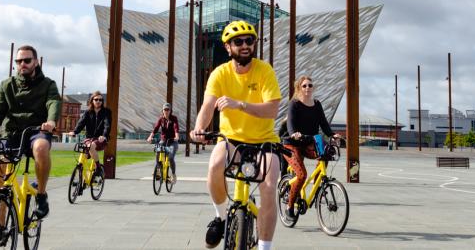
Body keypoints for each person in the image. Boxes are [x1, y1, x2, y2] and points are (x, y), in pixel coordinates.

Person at [191, 20, 282, 250]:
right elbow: (207, 106)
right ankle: (220, 218)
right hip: (231, 139)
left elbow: (272, 109)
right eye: (238, 41)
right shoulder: (220, 74)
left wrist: (239, 105)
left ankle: (264, 247)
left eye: (249, 41)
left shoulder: (264, 70)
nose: (245, 45)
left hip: (265, 141)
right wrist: (199, 128)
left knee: (269, 187)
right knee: (214, 166)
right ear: (227, 47)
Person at [0, 45, 61, 221]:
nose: (22, 64)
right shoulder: (7, 85)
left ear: (36, 62)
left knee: (41, 147)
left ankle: (41, 194)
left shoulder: (48, 85)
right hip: (12, 134)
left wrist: (51, 121)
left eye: (26, 60)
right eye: (18, 61)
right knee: (0, 165)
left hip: (36, 131)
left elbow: (53, 102)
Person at [281, 75, 342, 221]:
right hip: (292, 143)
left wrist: (332, 135)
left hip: (308, 142)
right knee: (301, 175)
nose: (307, 88)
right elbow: (290, 124)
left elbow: (324, 124)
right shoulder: (294, 104)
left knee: (326, 153)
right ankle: (290, 206)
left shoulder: (317, 104)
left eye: (310, 85)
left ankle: (318, 186)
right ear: (299, 88)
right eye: (304, 86)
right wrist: (293, 133)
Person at [68, 91, 111, 169]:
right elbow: (81, 123)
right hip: (89, 138)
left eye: (100, 100)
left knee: (91, 146)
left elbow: (107, 125)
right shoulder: (88, 112)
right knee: (84, 149)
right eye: (96, 99)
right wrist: (75, 132)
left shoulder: (106, 112)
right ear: (92, 100)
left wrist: (104, 136)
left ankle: (98, 167)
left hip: (100, 139)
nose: (98, 101)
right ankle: (82, 170)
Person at [146, 102, 180, 183]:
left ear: (170, 110)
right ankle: (158, 170)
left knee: (171, 157)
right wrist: (150, 137)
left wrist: (177, 136)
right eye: (165, 109)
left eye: (168, 109)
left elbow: (176, 127)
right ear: (162, 111)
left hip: (172, 141)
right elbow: (156, 129)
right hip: (163, 140)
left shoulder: (174, 118)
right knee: (158, 150)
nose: (166, 111)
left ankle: (173, 174)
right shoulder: (161, 119)